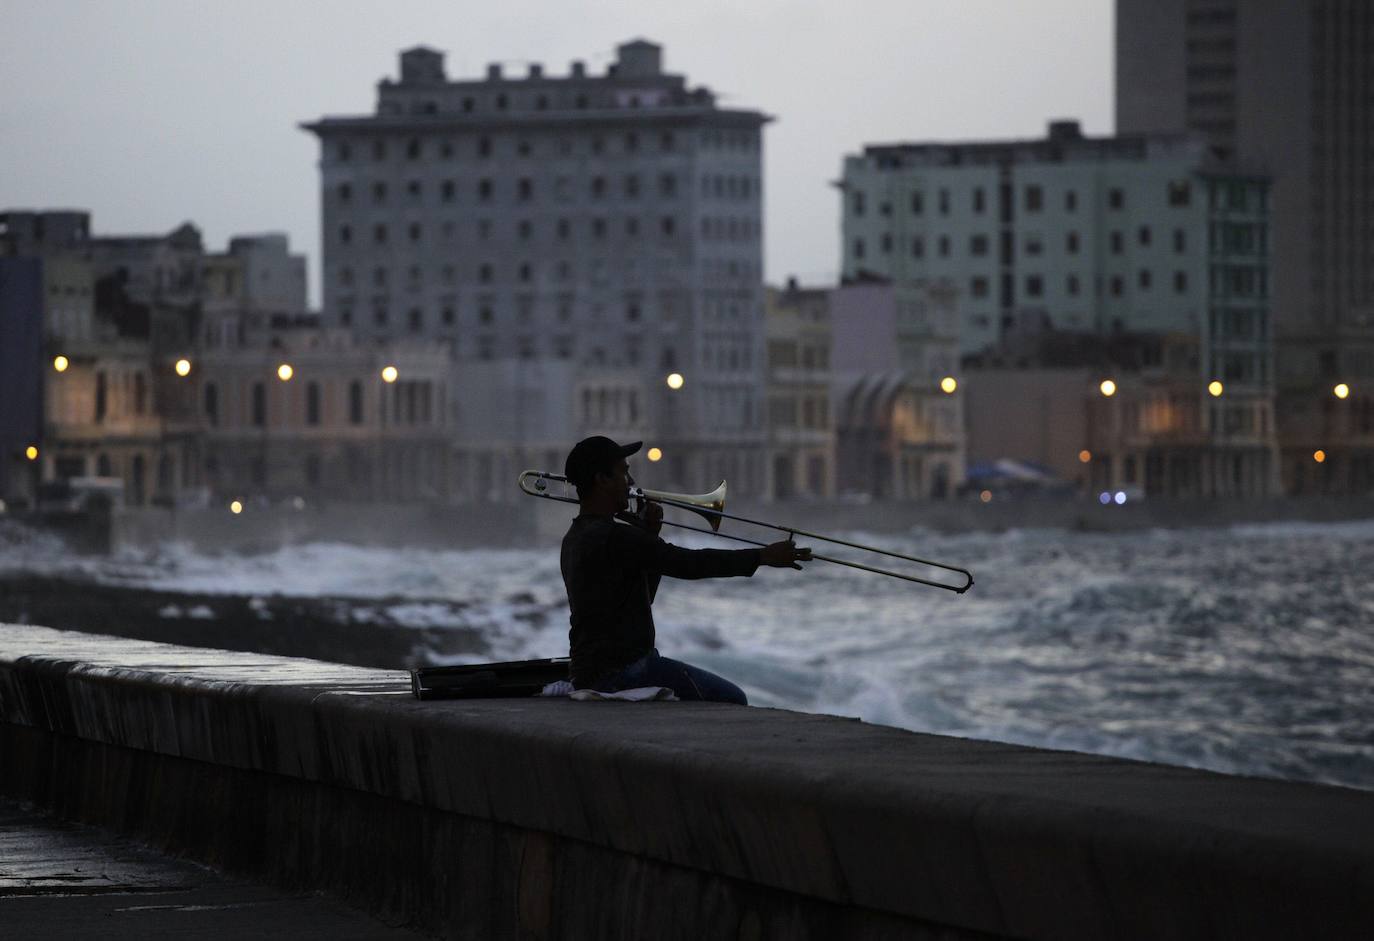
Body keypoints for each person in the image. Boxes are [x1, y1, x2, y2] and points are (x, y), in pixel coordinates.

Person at [559, 435, 810, 704]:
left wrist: (649, 535)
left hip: (591, 671)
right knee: (733, 698)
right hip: (623, 671)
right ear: (602, 479)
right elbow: (689, 563)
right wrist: (761, 556)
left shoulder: (574, 537)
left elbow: (640, 597)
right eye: (624, 473)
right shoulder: (616, 537)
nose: (630, 483)